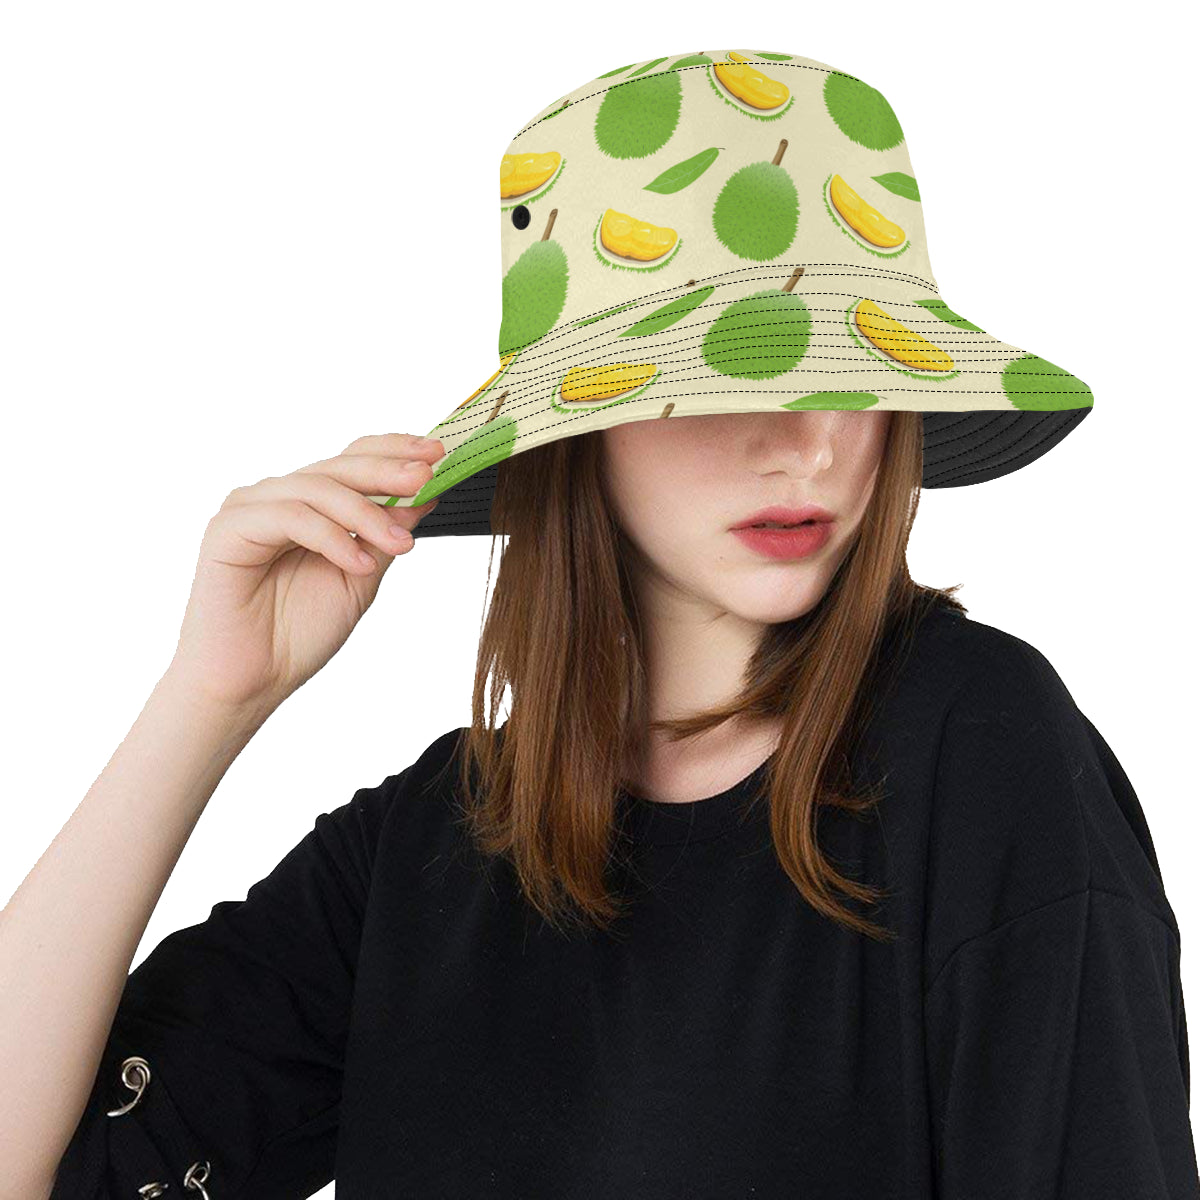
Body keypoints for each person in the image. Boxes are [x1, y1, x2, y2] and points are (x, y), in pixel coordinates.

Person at [5, 46, 1197, 1199]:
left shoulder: (981, 750)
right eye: (731, 371)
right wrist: (210, 698)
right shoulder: (435, 847)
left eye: (852, 370)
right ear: (576, 427)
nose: (811, 442)